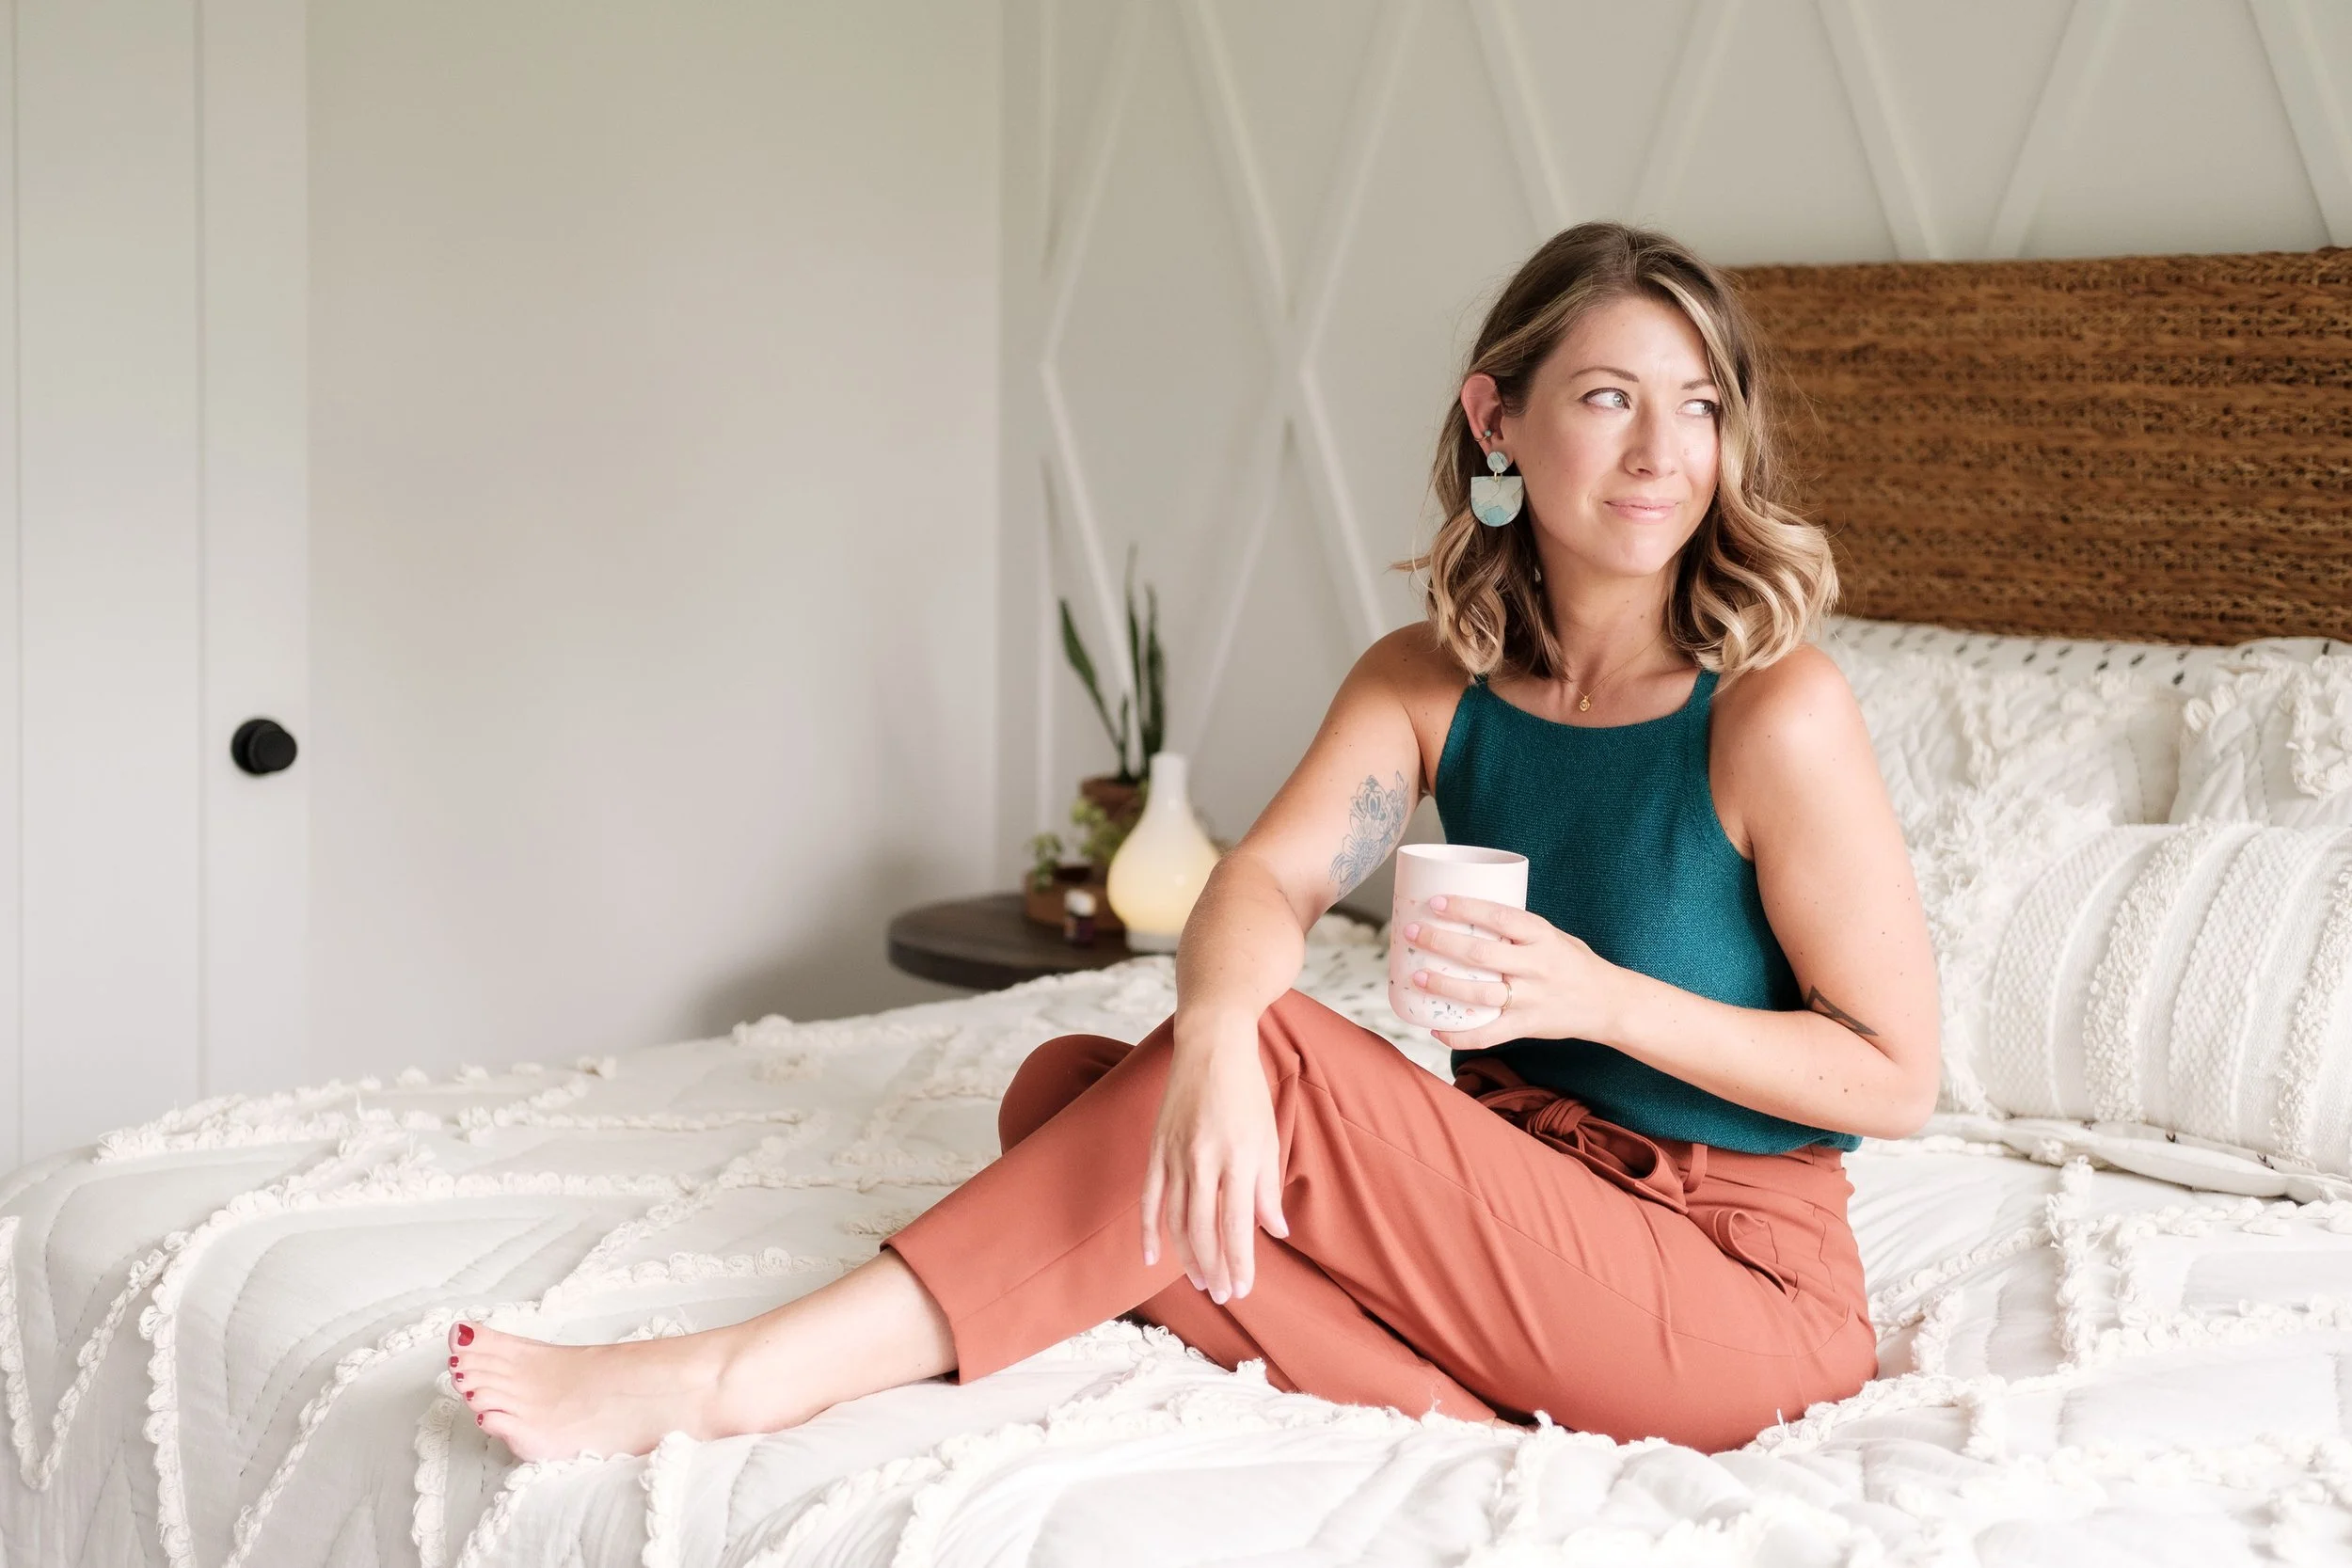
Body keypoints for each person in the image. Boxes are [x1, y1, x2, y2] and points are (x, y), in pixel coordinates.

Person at [446, 221, 1939, 1461]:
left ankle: (735, 1377)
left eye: (1699, 405)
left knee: (1212, 1101)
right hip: (1526, 1212)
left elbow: (1896, 1075)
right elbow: (1267, 878)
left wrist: (1595, 997)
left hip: (1736, 1282)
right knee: (1074, 1094)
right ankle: (1465, 1408)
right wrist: (1220, 1028)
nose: (1662, 450)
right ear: (1498, 419)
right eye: (1610, 397)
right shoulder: (1431, 683)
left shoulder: (1775, 709)